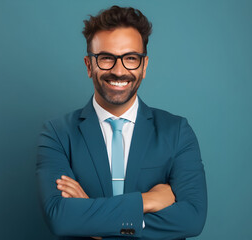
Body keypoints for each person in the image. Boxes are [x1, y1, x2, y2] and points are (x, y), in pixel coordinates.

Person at [36, 5, 207, 240]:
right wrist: (147, 200)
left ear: (144, 66)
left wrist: (92, 221)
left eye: (131, 58)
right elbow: (60, 218)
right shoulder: (57, 134)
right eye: (106, 58)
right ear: (89, 65)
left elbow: (192, 219)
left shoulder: (176, 131)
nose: (119, 70)